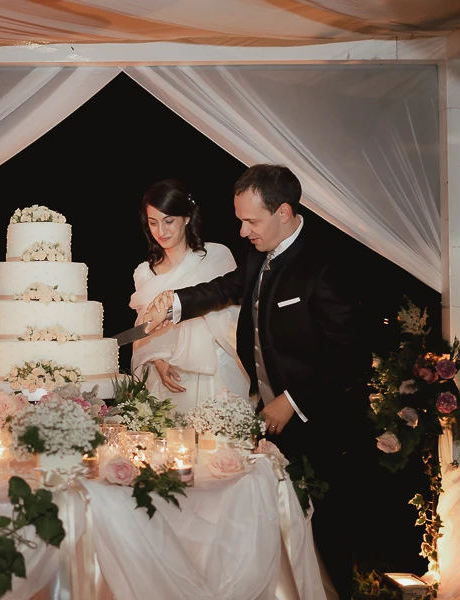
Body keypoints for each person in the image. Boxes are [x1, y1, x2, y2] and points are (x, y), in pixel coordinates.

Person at [144, 164, 370, 599]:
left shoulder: (327, 263)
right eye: (240, 220)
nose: (243, 231)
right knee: (281, 534)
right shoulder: (259, 253)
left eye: (252, 221)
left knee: (325, 538)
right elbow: (229, 287)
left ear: (284, 212)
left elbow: (354, 355)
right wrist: (174, 301)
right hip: (273, 422)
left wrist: (293, 399)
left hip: (322, 425)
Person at [129, 179, 249, 415]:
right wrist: (159, 362)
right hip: (168, 378)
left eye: (168, 221)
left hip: (214, 371)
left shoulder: (217, 255)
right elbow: (147, 331)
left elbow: (236, 318)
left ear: (186, 217)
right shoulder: (144, 273)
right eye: (153, 223)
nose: (160, 232)